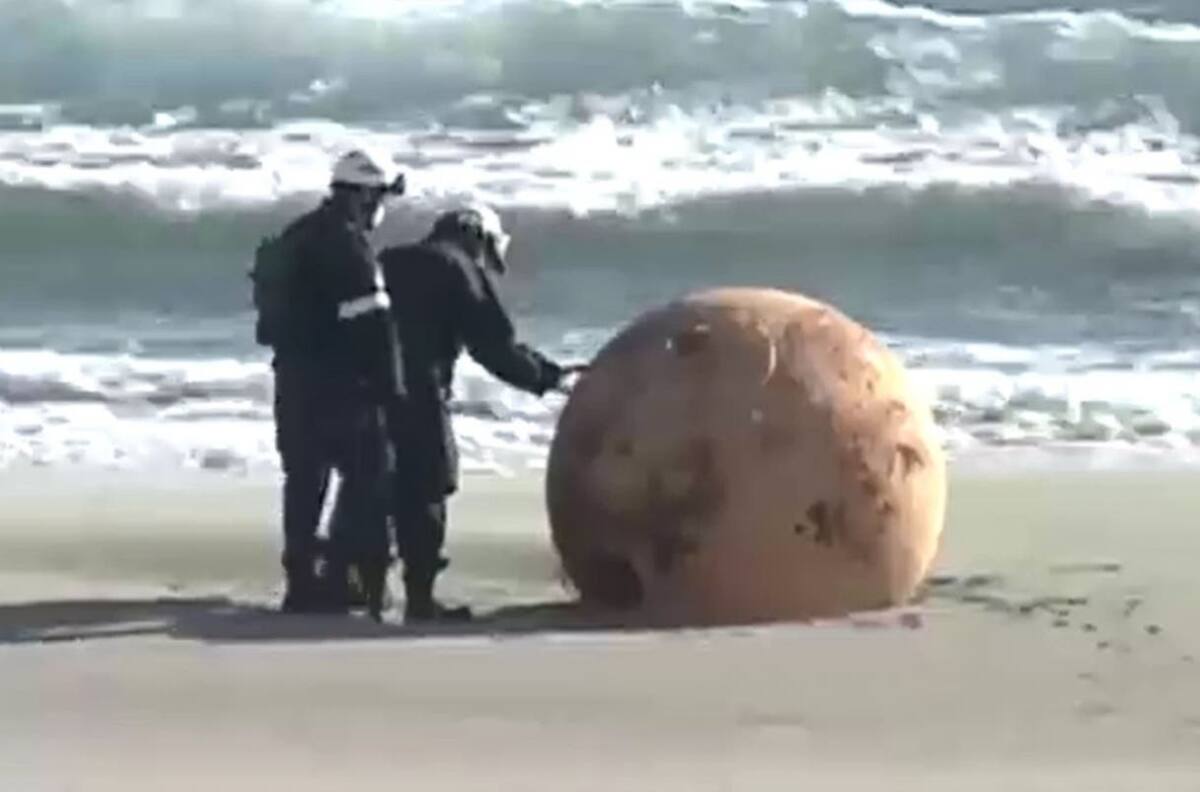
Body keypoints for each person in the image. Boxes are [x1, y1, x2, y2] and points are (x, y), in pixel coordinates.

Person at [378, 204, 567, 622]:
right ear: (476, 237)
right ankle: (420, 599)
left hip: (363, 389)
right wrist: (548, 377)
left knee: (376, 488)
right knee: (429, 483)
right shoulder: (456, 266)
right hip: (418, 390)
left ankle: (366, 589)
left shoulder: (389, 259)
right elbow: (493, 346)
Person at [251, 149, 407, 619]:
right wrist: (393, 390)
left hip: (293, 380)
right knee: (368, 473)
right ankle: (340, 575)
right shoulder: (347, 244)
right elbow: (374, 326)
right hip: (338, 386)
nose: (382, 207)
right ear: (363, 196)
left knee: (304, 480)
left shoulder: (297, 235)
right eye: (381, 196)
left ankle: (301, 583)